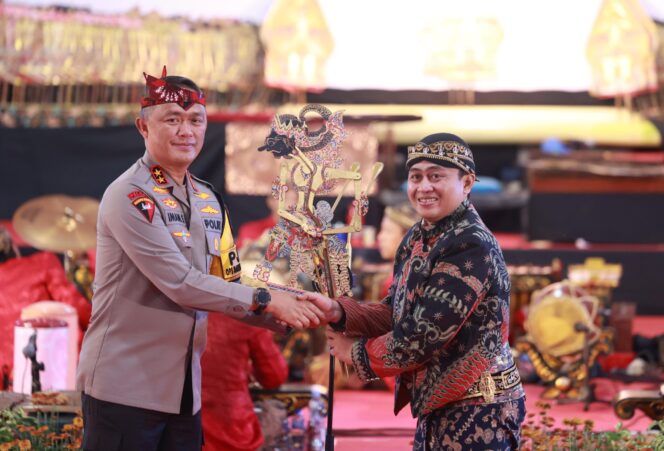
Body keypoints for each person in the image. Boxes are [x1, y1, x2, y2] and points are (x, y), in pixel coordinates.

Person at [76, 67, 321, 451]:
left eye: (195, 120)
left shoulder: (207, 198)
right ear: (143, 127)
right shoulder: (128, 195)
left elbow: (227, 282)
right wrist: (270, 300)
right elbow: (182, 283)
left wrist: (293, 312)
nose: (185, 131)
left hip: (185, 392)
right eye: (172, 119)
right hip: (125, 389)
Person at [300, 133, 525, 450]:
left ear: (468, 182)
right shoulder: (418, 237)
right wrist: (342, 311)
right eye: (416, 177)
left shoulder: (470, 243)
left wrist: (355, 354)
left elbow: (422, 336)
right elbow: (397, 313)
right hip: (442, 401)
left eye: (436, 177)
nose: (424, 187)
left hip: (479, 407)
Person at [201, 312, 288, 451]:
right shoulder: (244, 312)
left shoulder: (178, 305)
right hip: (232, 428)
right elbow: (275, 375)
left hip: (179, 426)